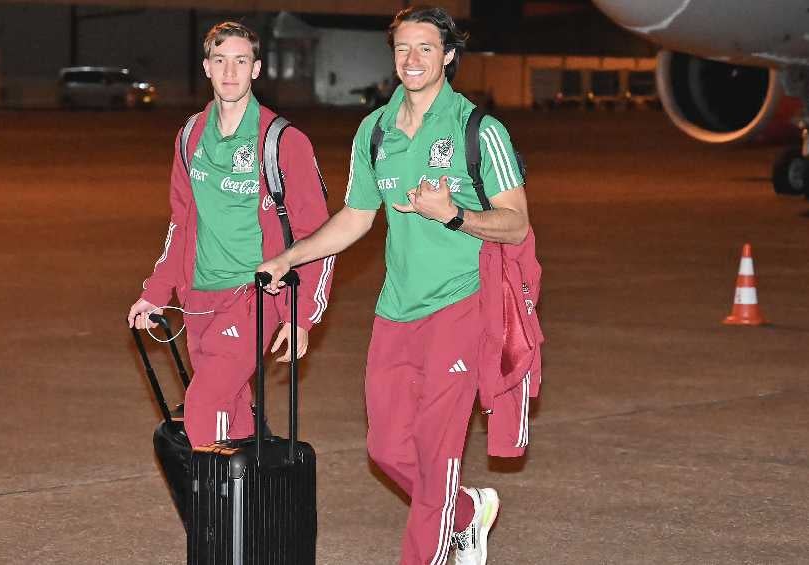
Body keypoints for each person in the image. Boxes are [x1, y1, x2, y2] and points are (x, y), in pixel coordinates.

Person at [258, 6, 532, 564]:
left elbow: (516, 222)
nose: (412, 60)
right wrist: (292, 256)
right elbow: (356, 216)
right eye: (403, 49)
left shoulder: (479, 130)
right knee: (385, 449)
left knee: (436, 456)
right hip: (396, 310)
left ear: (449, 56)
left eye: (426, 49)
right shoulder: (376, 130)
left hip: (462, 305)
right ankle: (463, 513)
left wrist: (454, 213)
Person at [128, 21, 334, 448]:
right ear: (206, 67)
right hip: (199, 297)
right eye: (220, 61)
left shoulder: (283, 142)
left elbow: (318, 235)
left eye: (241, 61)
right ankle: (244, 512)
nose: (230, 72)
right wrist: (156, 291)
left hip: (255, 297)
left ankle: (209, 512)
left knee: (203, 405)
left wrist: (302, 316)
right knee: (233, 410)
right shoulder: (190, 136)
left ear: (256, 69)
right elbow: (182, 221)